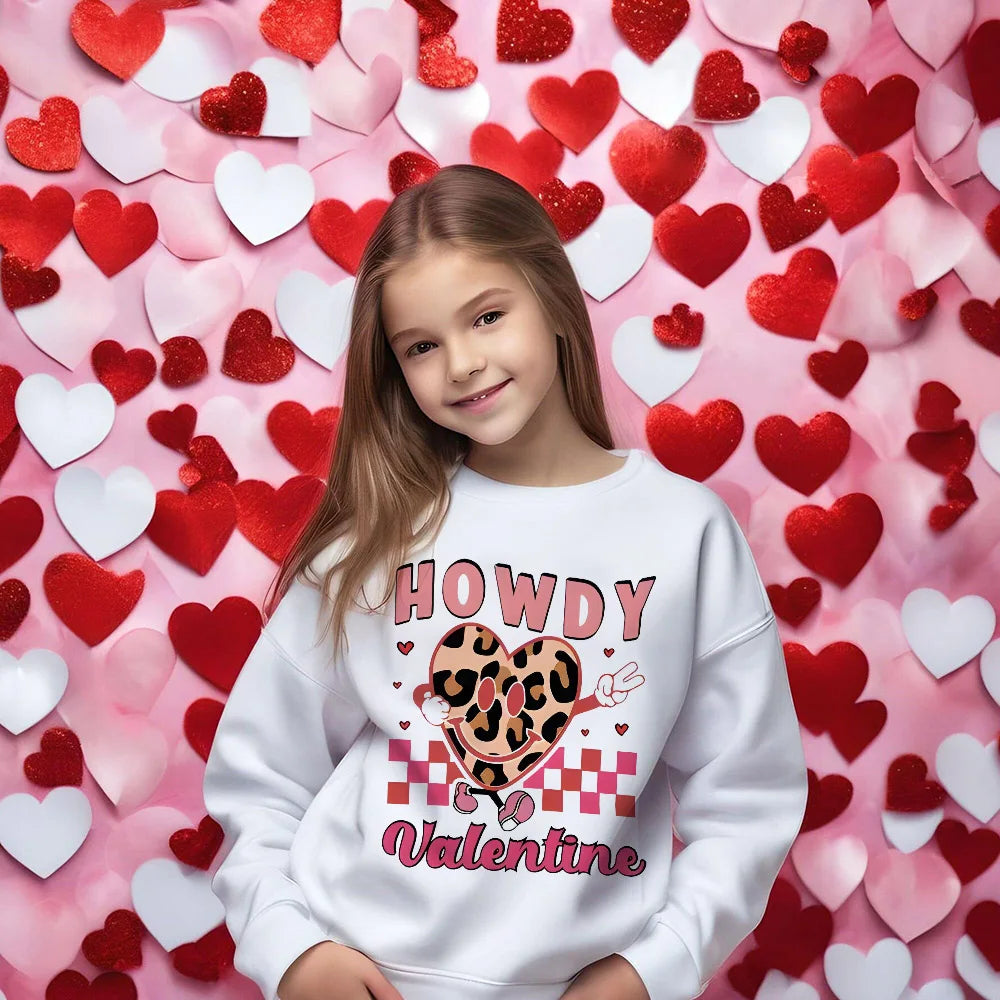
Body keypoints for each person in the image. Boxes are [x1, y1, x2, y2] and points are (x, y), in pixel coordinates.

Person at [201, 164, 809, 1000]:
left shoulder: (684, 532)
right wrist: (294, 951)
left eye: (487, 316)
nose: (462, 363)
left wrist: (653, 970)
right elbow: (261, 773)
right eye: (421, 346)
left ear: (552, 299)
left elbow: (747, 797)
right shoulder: (378, 534)